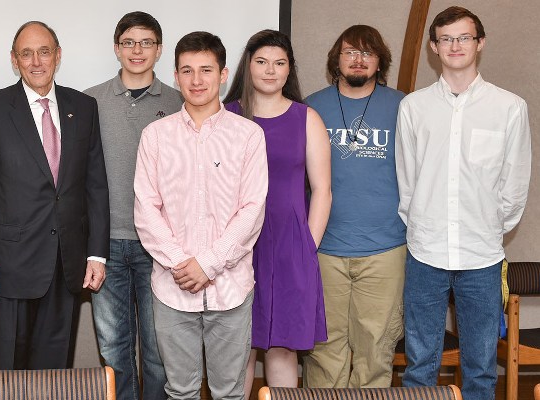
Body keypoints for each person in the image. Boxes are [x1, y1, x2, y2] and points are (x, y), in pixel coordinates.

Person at [397, 7, 530, 400]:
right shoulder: (414, 108)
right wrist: (422, 223)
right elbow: (408, 184)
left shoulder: (509, 107)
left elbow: (514, 184)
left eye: (464, 37)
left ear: (480, 43)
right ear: (434, 47)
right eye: (446, 39)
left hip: (482, 256)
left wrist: (489, 226)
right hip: (426, 253)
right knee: (420, 366)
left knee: (482, 368)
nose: (455, 45)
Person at [0, 21, 109, 370]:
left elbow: (95, 185)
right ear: (14, 60)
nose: (36, 61)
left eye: (44, 52)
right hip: (9, 267)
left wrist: (97, 255)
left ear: (57, 56)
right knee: (10, 372)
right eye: (26, 54)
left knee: (54, 372)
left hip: (66, 263)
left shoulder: (84, 107)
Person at [134, 31, 268, 400]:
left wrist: (208, 264)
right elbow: (146, 209)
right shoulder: (155, 136)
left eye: (206, 70)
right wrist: (182, 264)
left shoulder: (249, 136)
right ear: (175, 76)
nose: (197, 80)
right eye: (187, 71)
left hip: (231, 289)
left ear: (223, 74)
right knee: (180, 391)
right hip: (172, 288)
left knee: (229, 392)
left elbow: (252, 209)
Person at [222, 29, 331, 396]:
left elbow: (322, 191)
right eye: (262, 62)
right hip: (236, 248)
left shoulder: (307, 118)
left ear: (289, 70)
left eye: (280, 63)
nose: (271, 71)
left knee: (283, 348)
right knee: (240, 346)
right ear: (247, 66)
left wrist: (307, 245)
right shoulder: (227, 116)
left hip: (289, 247)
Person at [301, 25, 406, 389]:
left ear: (380, 62)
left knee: (376, 352)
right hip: (324, 249)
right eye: (350, 52)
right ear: (337, 59)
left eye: (367, 53)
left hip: (386, 249)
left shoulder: (402, 106)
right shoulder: (312, 107)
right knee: (323, 351)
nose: (358, 60)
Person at [83, 11, 180, 400]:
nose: (137, 50)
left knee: (159, 352)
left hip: (161, 247)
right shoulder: (89, 101)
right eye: (128, 42)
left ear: (159, 49)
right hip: (105, 246)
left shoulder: (178, 101)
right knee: (114, 351)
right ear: (116, 48)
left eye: (146, 43)